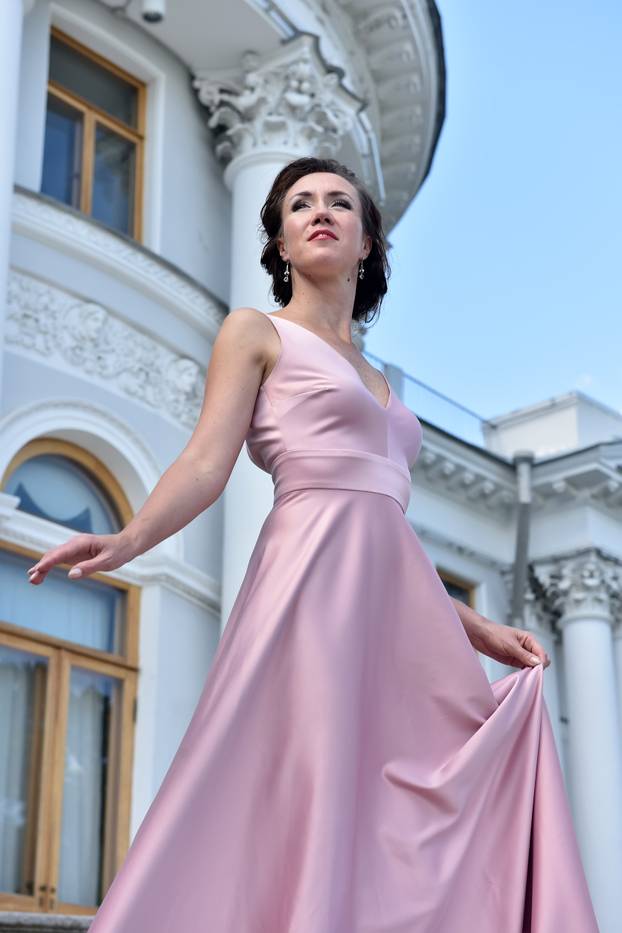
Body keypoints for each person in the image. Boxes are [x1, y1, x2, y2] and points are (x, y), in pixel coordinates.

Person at [26, 157, 599, 932]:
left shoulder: (385, 380)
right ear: (282, 242)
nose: (319, 211)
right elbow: (204, 461)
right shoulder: (255, 332)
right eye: (299, 204)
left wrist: (480, 629)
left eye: (339, 202)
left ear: (367, 243)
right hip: (307, 588)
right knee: (314, 784)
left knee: (410, 806)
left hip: (399, 625)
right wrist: (129, 537)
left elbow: (388, 537)